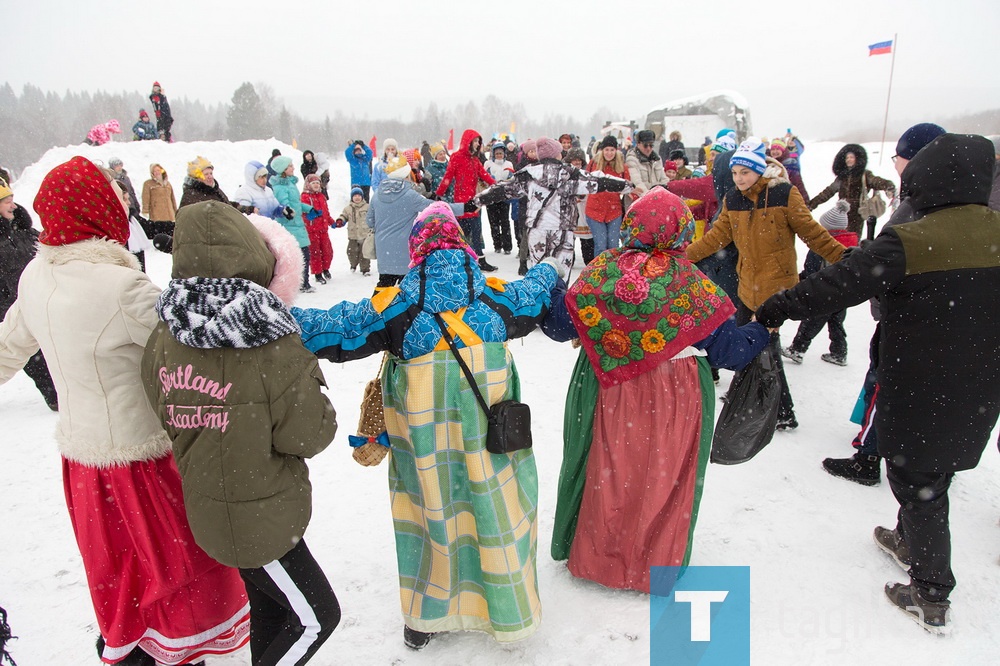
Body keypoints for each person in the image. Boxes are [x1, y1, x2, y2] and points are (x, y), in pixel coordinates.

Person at [0, 156, 250, 665]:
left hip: (83, 467)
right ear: (100, 213)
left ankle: (131, 644)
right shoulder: (121, 287)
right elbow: (189, 344)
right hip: (144, 460)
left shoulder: (35, 277)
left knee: (117, 570)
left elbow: (5, 351)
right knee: (178, 574)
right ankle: (177, 650)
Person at [290, 202, 567, 649]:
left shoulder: (394, 308)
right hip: (491, 446)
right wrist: (551, 268)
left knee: (430, 517)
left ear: (415, 249)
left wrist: (265, 315)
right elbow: (536, 290)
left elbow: (328, 330)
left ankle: (426, 617)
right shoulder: (496, 297)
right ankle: (508, 614)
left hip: (427, 453)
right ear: (462, 244)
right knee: (498, 514)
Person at [756, 133, 1000, 633]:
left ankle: (931, 591)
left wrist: (777, 307)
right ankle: (912, 539)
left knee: (915, 477)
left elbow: (837, 284)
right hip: (982, 380)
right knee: (936, 468)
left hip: (921, 377)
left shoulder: (913, 238)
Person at [142, 202, 341, 664]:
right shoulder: (270, 339)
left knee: (271, 611)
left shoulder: (166, 331)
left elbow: (160, 404)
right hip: (261, 518)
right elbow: (310, 435)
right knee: (316, 618)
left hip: (210, 506)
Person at [552, 189, 769, 592]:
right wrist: (760, 331)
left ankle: (596, 553)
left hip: (606, 390)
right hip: (673, 393)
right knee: (661, 477)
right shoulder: (691, 283)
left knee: (607, 468)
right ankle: (650, 564)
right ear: (681, 231)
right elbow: (729, 352)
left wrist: (550, 292)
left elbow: (561, 325)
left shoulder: (603, 271)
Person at [685, 138, 846, 430]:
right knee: (749, 343)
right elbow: (715, 239)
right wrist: (681, 258)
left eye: (745, 172)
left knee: (765, 347)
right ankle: (743, 396)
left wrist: (844, 258)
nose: (739, 178)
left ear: (760, 170)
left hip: (777, 289)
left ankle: (783, 411)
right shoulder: (733, 199)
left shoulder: (784, 194)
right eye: (735, 173)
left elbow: (812, 233)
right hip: (748, 287)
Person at [819, 122, 947, 486]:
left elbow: (889, 263)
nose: (895, 164)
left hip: (902, 313)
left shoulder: (914, 204)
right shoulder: (947, 198)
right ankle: (916, 452)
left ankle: (868, 456)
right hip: (930, 315)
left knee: (883, 381)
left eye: (899, 157)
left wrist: (864, 264)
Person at [476, 137, 631, 277]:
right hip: (562, 231)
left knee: (540, 276)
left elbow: (502, 189)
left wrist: (477, 201)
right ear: (556, 154)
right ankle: (559, 304)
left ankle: (542, 304)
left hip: (537, 230)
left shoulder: (527, 174)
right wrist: (626, 186)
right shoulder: (570, 174)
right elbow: (597, 181)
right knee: (561, 275)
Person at [0, 176, 58, 410]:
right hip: (9, 308)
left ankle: (59, 394)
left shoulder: (24, 230)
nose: (13, 205)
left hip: (36, 301)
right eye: (6, 201)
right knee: (28, 355)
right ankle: (56, 397)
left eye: (12, 199)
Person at [780, 200, 858, 366]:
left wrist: (800, 280)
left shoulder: (823, 246)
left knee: (812, 320)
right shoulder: (849, 244)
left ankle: (797, 349)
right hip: (843, 292)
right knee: (836, 322)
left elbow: (812, 270)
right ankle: (839, 352)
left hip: (825, 291)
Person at [369, 157, 464, 287]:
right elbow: (437, 208)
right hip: (404, 253)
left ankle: (377, 306)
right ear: (406, 174)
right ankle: (404, 306)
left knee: (384, 286)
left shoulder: (376, 196)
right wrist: (466, 207)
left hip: (384, 252)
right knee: (407, 289)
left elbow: (369, 221)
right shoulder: (409, 195)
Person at [434, 129, 497, 271]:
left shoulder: (475, 160)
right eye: (474, 141)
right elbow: (448, 177)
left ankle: (480, 260)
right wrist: (438, 194)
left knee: (476, 233)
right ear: (467, 142)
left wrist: (496, 185)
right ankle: (460, 261)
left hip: (474, 202)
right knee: (461, 235)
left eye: (478, 142)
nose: (477, 144)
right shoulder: (456, 157)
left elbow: (484, 174)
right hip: (461, 204)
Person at [808, 144, 896, 234]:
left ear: (857, 159)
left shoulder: (864, 175)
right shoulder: (842, 177)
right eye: (847, 158)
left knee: (853, 239)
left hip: (857, 214)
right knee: (840, 238)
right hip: (841, 213)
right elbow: (828, 192)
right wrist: (812, 204)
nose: (849, 159)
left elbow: (876, 181)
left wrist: (888, 186)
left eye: (851, 157)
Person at [269, 155, 315, 293]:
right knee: (299, 256)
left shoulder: (290, 184)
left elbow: (296, 204)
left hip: (297, 224)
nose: (293, 168)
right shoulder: (280, 188)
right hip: (290, 226)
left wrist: (309, 208)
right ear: (283, 169)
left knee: (304, 255)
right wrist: (288, 212)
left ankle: (304, 282)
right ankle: (301, 284)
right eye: (290, 166)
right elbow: (285, 205)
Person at [585, 135, 630, 255]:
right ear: (602, 150)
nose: (609, 153)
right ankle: (599, 271)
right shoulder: (593, 163)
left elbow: (628, 186)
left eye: (612, 150)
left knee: (613, 246)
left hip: (613, 211)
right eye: (606, 150)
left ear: (616, 151)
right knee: (600, 245)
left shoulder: (622, 167)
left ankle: (613, 271)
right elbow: (584, 181)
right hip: (594, 210)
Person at [179, 156, 255, 215]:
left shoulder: (214, 190)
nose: (210, 176)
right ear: (196, 178)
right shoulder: (191, 196)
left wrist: (248, 209)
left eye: (211, 173)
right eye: (206, 174)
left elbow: (226, 206)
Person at [482, 141, 514, 254]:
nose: (499, 155)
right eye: (497, 153)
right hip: (491, 196)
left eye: (501, 153)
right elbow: (483, 178)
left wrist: (509, 180)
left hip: (504, 196)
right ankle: (497, 244)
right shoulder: (488, 164)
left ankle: (507, 246)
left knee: (505, 221)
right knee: (493, 222)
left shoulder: (508, 164)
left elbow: (512, 179)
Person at [302, 173, 334, 284]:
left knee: (327, 251)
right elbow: (303, 213)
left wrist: (331, 222)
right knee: (315, 253)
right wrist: (311, 215)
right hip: (312, 230)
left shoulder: (321, 196)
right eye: (313, 183)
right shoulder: (305, 197)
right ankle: (318, 273)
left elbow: (326, 213)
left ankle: (326, 269)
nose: (316, 185)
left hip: (323, 229)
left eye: (317, 183)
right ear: (308, 184)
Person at [565, 147, 594, 265]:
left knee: (586, 238)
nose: (577, 162)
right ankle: (569, 259)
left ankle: (589, 260)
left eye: (579, 160)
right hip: (569, 210)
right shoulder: (565, 174)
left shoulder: (586, 174)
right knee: (568, 237)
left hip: (583, 209)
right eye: (574, 160)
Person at [337, 187, 371, 275]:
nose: (357, 197)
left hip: (364, 234)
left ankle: (365, 269)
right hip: (353, 235)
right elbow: (343, 216)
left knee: (365, 253)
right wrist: (341, 220)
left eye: (359, 195)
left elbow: (372, 217)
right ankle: (353, 264)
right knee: (351, 251)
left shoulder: (367, 207)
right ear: (352, 197)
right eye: (355, 196)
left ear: (362, 197)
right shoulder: (348, 208)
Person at [625, 129, 667, 195]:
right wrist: (650, 197)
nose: (648, 148)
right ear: (638, 144)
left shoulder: (657, 159)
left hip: (657, 197)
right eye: (645, 145)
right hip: (640, 199)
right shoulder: (632, 160)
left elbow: (664, 180)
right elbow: (637, 182)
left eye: (651, 145)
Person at [141, 163, 178, 238]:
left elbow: (172, 199)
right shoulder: (148, 184)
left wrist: (175, 211)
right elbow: (145, 198)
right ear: (152, 173)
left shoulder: (168, 184)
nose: (157, 172)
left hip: (169, 214)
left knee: (171, 235)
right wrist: (145, 211)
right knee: (160, 235)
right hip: (157, 215)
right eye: (154, 171)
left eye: (158, 170)